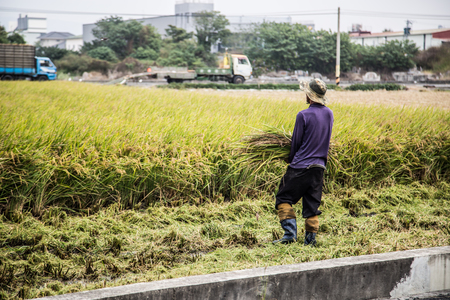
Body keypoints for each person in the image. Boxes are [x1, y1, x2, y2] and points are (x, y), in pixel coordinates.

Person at [273, 78, 334, 246]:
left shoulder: (303, 115)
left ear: (309, 96)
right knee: (311, 206)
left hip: (300, 166)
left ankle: (289, 235)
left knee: (283, 198)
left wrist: (291, 160)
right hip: (319, 167)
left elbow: (296, 142)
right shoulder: (329, 113)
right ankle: (310, 241)